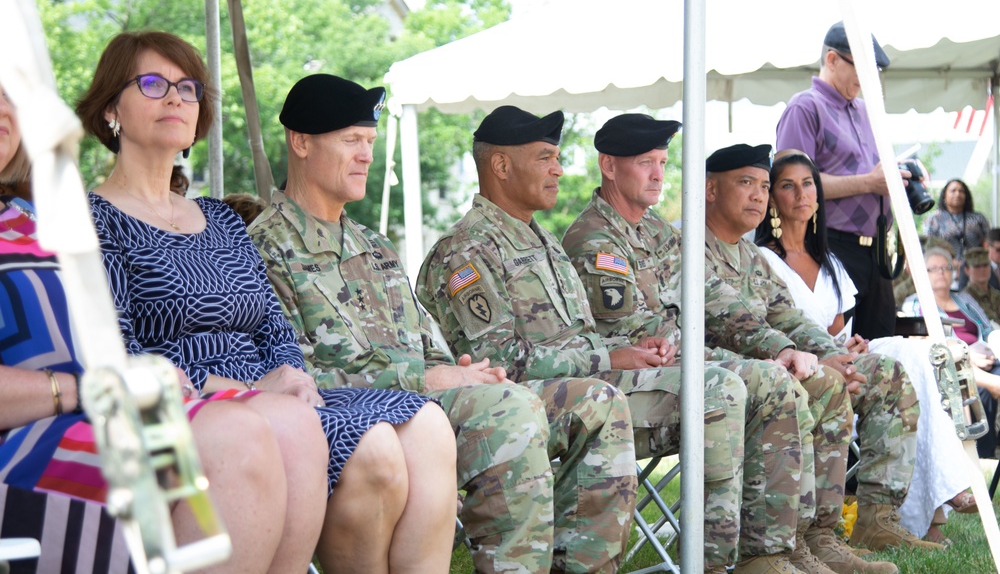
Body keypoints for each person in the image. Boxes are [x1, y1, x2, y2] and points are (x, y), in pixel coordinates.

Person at [75, 32, 457, 574]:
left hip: (276, 394)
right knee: (373, 449)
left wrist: (295, 376)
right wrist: (249, 388)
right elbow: (118, 347)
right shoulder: (92, 220)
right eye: (154, 84)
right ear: (112, 108)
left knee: (427, 427)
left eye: (188, 87)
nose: (176, 99)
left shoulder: (223, 220)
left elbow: (273, 327)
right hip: (191, 403)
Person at [249, 74, 639, 574]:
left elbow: (429, 348)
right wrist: (434, 378)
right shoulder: (265, 247)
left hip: (428, 405)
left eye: (369, 142)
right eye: (351, 141)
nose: (367, 155)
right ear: (300, 143)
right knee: (510, 412)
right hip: (357, 419)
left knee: (583, 401)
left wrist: (465, 372)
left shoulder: (373, 245)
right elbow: (295, 377)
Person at [0, 80, 323, 573]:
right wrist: (99, 385)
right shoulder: (92, 217)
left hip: (104, 404)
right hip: (37, 427)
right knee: (234, 437)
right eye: (154, 84)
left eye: (8, 93)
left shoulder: (33, 221)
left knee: (294, 422)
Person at [416, 105, 752, 573]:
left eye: (557, 157)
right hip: (519, 402)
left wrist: (628, 354)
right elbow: (498, 363)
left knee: (715, 384)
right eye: (544, 158)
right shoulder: (467, 250)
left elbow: (584, 339)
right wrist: (606, 357)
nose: (557, 169)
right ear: (500, 166)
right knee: (627, 397)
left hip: (587, 386)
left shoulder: (542, 241)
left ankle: (726, 560)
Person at [560, 115, 896, 574]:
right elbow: (649, 337)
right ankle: (748, 558)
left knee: (816, 382)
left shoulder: (659, 232)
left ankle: (805, 540)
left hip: (685, 368)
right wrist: (757, 360)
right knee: (767, 382)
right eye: (646, 163)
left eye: (662, 162)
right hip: (633, 378)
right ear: (609, 166)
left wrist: (785, 349)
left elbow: (720, 304)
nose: (659, 174)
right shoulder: (595, 238)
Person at [701, 143, 937, 554]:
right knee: (827, 382)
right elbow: (738, 324)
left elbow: (786, 317)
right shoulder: (694, 247)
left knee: (887, 375)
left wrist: (831, 351)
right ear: (710, 190)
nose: (758, 195)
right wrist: (816, 358)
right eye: (747, 184)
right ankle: (808, 538)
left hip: (787, 366)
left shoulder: (747, 257)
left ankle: (876, 519)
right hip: (733, 375)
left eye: (761, 185)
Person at [755, 149, 973, 544]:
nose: (801, 194)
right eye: (788, 185)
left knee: (917, 352)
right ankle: (949, 492)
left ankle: (920, 512)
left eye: (808, 184)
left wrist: (848, 345)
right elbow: (774, 328)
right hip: (800, 371)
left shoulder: (830, 262)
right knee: (898, 363)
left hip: (847, 362)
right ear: (772, 197)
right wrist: (834, 349)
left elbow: (840, 330)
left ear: (819, 195)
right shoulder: (762, 260)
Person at [775, 21, 904, 340]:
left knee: (881, 347)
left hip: (877, 250)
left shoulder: (865, 109)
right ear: (832, 60)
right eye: (862, 67)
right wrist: (867, 183)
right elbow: (790, 188)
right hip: (830, 245)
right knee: (841, 352)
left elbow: (874, 171)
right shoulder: (804, 108)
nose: (869, 78)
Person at [901, 247, 1000, 462]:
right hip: (953, 365)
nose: (941, 273)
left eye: (945, 267)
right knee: (979, 391)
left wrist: (994, 344)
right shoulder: (915, 302)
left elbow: (987, 329)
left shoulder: (965, 299)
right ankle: (983, 457)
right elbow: (925, 343)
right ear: (922, 273)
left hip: (988, 359)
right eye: (933, 269)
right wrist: (968, 353)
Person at [923, 178, 990, 285]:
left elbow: (988, 244)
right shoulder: (934, 219)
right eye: (953, 191)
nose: (957, 194)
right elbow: (928, 247)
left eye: (961, 191)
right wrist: (951, 262)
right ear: (944, 195)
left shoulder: (978, 218)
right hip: (945, 270)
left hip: (975, 270)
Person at [962, 247, 1000, 323]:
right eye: (977, 266)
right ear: (967, 270)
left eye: (985, 265)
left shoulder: (996, 295)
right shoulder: (964, 300)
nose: (982, 270)